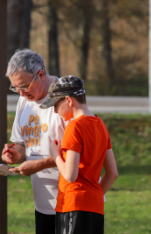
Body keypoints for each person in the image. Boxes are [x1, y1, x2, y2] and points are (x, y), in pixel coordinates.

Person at [1, 49, 67, 234]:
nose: (21, 94)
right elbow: (21, 143)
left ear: (40, 74)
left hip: (71, 202)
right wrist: (15, 154)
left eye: (24, 86)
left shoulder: (65, 97)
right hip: (43, 203)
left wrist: (37, 165)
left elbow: (75, 152)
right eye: (15, 88)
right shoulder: (24, 101)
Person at [43, 75, 118, 234]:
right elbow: (112, 173)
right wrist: (93, 196)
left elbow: (70, 175)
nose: (55, 111)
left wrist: (56, 154)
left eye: (56, 105)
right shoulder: (101, 125)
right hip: (95, 208)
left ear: (69, 101)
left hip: (73, 206)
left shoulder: (74, 126)